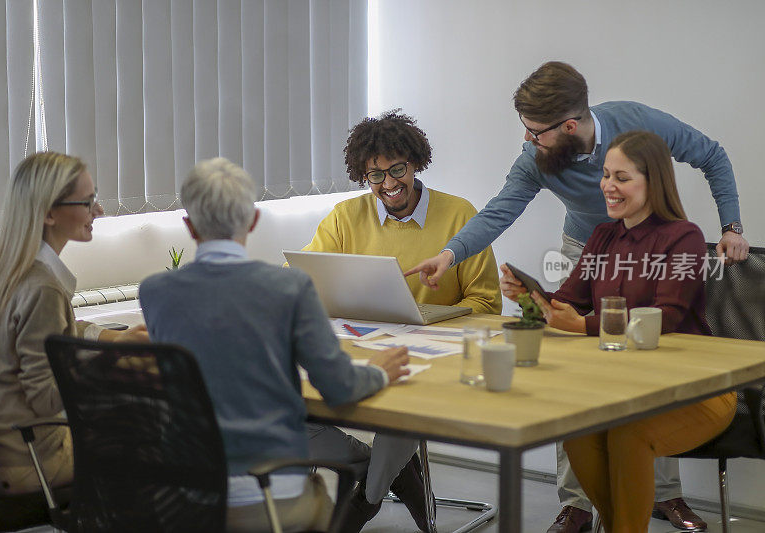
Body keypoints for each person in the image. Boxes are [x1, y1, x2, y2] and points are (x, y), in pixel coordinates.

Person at [406, 62, 747, 532]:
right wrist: (466, 263)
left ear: (569, 126)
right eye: (605, 175)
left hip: (650, 258)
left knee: (644, 372)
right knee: (580, 385)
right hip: (591, 251)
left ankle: (659, 494)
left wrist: (731, 227)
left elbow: (662, 318)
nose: (527, 141)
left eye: (534, 132)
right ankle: (579, 504)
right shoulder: (577, 207)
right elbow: (503, 215)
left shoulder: (664, 197)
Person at [139, 157, 410, 532]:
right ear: (252, 220)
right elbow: (339, 389)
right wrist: (378, 373)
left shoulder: (154, 292)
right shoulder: (289, 287)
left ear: (188, 224)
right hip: (268, 497)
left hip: (185, 499)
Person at [499, 130, 735, 532]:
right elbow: (568, 301)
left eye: (621, 177)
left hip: (695, 388)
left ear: (653, 181)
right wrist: (528, 297)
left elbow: (667, 317)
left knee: (628, 434)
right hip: (624, 386)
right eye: (606, 175)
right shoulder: (603, 236)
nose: (608, 186)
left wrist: (584, 325)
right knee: (577, 428)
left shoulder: (684, 237)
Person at [299, 110, 501, 531]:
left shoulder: (460, 215)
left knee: (401, 395)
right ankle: (384, 472)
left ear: (415, 163)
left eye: (397, 170)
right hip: (358, 345)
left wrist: (434, 319)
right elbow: (303, 282)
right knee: (291, 397)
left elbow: (486, 303)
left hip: (432, 350)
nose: (389, 184)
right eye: (375, 175)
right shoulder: (344, 217)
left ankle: (366, 499)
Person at [0, 152, 148, 496]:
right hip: (32, 461)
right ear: (49, 213)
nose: (99, 210)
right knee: (156, 432)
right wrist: (111, 362)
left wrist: (108, 337)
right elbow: (46, 398)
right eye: (88, 201)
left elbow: (50, 331)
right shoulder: (43, 288)